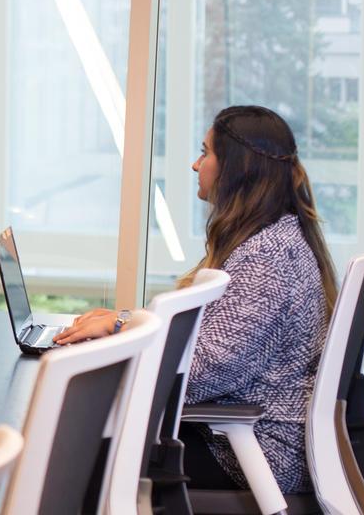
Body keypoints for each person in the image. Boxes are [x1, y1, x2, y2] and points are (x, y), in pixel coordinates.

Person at [54, 105, 336, 493]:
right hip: (251, 435)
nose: (194, 165)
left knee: (66, 455)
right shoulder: (274, 239)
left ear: (236, 168)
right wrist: (125, 322)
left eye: (205, 153)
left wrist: (116, 337)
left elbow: (200, 375)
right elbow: (213, 345)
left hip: (258, 450)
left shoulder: (267, 258)